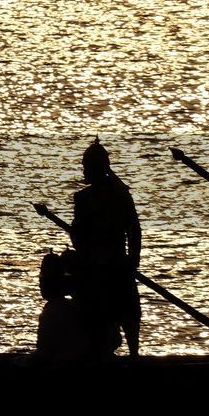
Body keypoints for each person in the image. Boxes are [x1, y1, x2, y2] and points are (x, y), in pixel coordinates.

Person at [70, 138, 142, 358]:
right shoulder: (110, 196)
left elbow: (134, 230)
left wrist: (132, 262)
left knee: (124, 316)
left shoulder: (112, 196)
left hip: (109, 268)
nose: (84, 171)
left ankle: (131, 357)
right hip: (107, 264)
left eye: (86, 167)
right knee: (110, 319)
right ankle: (119, 357)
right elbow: (78, 236)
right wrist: (132, 261)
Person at [33, 249, 92, 367]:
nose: (40, 284)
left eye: (42, 280)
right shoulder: (74, 306)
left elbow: (44, 352)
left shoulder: (54, 310)